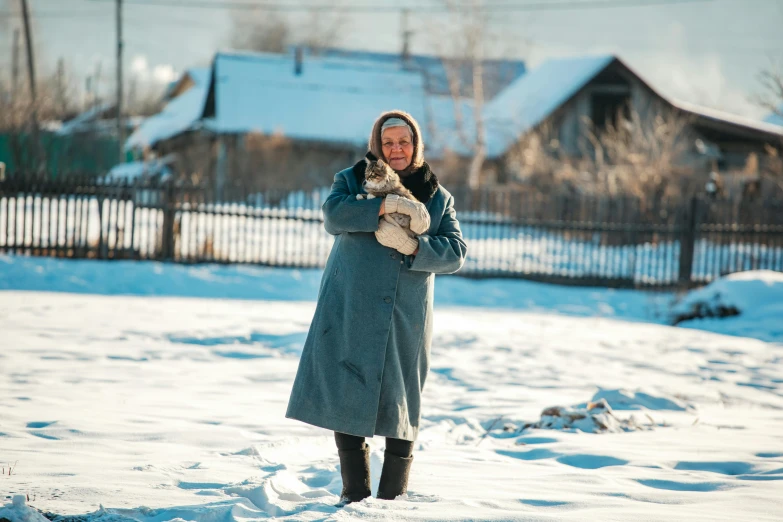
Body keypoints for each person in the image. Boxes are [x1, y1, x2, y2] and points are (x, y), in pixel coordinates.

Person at [285, 110, 467, 504]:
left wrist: (416, 246)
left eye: (404, 142)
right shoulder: (352, 180)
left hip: (405, 315)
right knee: (349, 394)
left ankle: (391, 501)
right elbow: (334, 215)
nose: (396, 149)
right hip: (352, 306)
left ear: (415, 145)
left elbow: (456, 253)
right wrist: (381, 209)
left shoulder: (437, 196)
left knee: (401, 402)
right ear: (377, 145)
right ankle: (354, 495)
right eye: (388, 143)